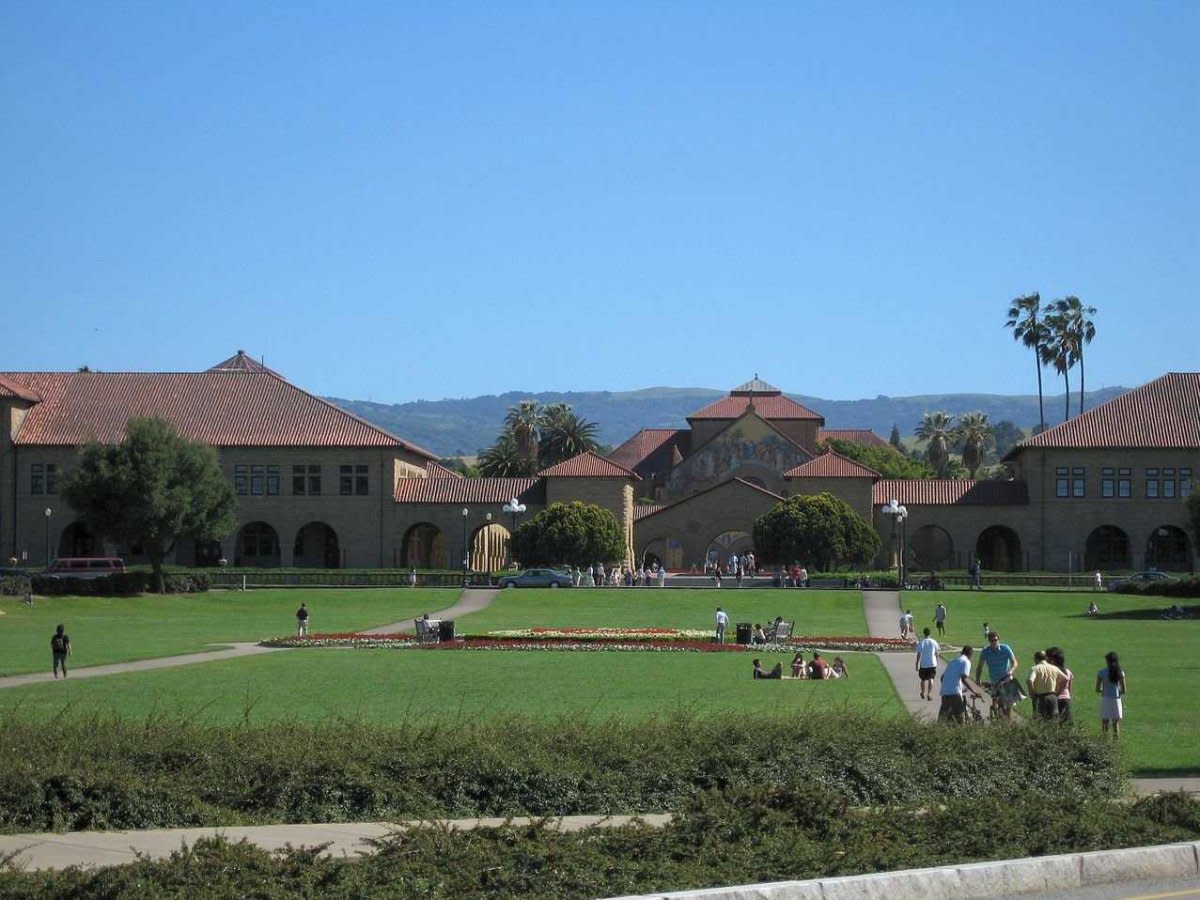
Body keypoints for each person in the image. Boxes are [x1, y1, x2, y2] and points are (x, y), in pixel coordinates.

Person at [975, 631, 1020, 718]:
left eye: (995, 640)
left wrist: (1011, 671)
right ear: (989, 641)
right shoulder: (985, 651)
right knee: (997, 701)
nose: (994, 642)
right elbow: (980, 666)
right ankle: (999, 715)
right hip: (995, 680)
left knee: (1009, 702)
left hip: (1006, 678)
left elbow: (1015, 662)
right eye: (992, 641)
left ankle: (1008, 719)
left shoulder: (1005, 648)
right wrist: (977, 679)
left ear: (998, 639)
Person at [939, 646, 981, 723]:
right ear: (970, 654)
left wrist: (953, 686)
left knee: (944, 718)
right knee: (960, 718)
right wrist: (974, 692)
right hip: (955, 693)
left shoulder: (952, 662)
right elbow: (963, 678)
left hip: (944, 692)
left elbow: (942, 678)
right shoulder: (966, 662)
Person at [1026, 650, 1066, 720]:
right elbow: (1065, 679)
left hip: (1040, 697)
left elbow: (1029, 680)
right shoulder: (1054, 668)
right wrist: (1058, 691)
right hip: (1052, 696)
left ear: (1036, 659)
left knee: (1040, 719)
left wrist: (1032, 693)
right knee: (1053, 719)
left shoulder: (1036, 668)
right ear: (1046, 658)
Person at [1096, 651, 1126, 738]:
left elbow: (1098, 689)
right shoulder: (1120, 673)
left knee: (1105, 724)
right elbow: (1124, 690)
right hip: (1116, 699)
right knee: (1115, 725)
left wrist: (1104, 690)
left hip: (1105, 699)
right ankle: (1115, 747)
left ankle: (1105, 746)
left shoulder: (1101, 672)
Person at [1046, 646, 1074, 724]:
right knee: (1066, 723)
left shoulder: (1053, 672)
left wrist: (1056, 694)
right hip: (1066, 699)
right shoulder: (1068, 671)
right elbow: (1069, 689)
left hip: (1056, 699)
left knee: (1053, 722)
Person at [916, 627, 941, 701]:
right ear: (930, 633)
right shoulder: (934, 641)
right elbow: (937, 653)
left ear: (924, 633)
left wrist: (916, 664)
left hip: (924, 663)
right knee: (931, 679)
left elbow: (919, 654)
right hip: (932, 663)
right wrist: (936, 661)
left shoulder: (922, 642)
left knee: (923, 679)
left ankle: (923, 692)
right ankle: (929, 694)